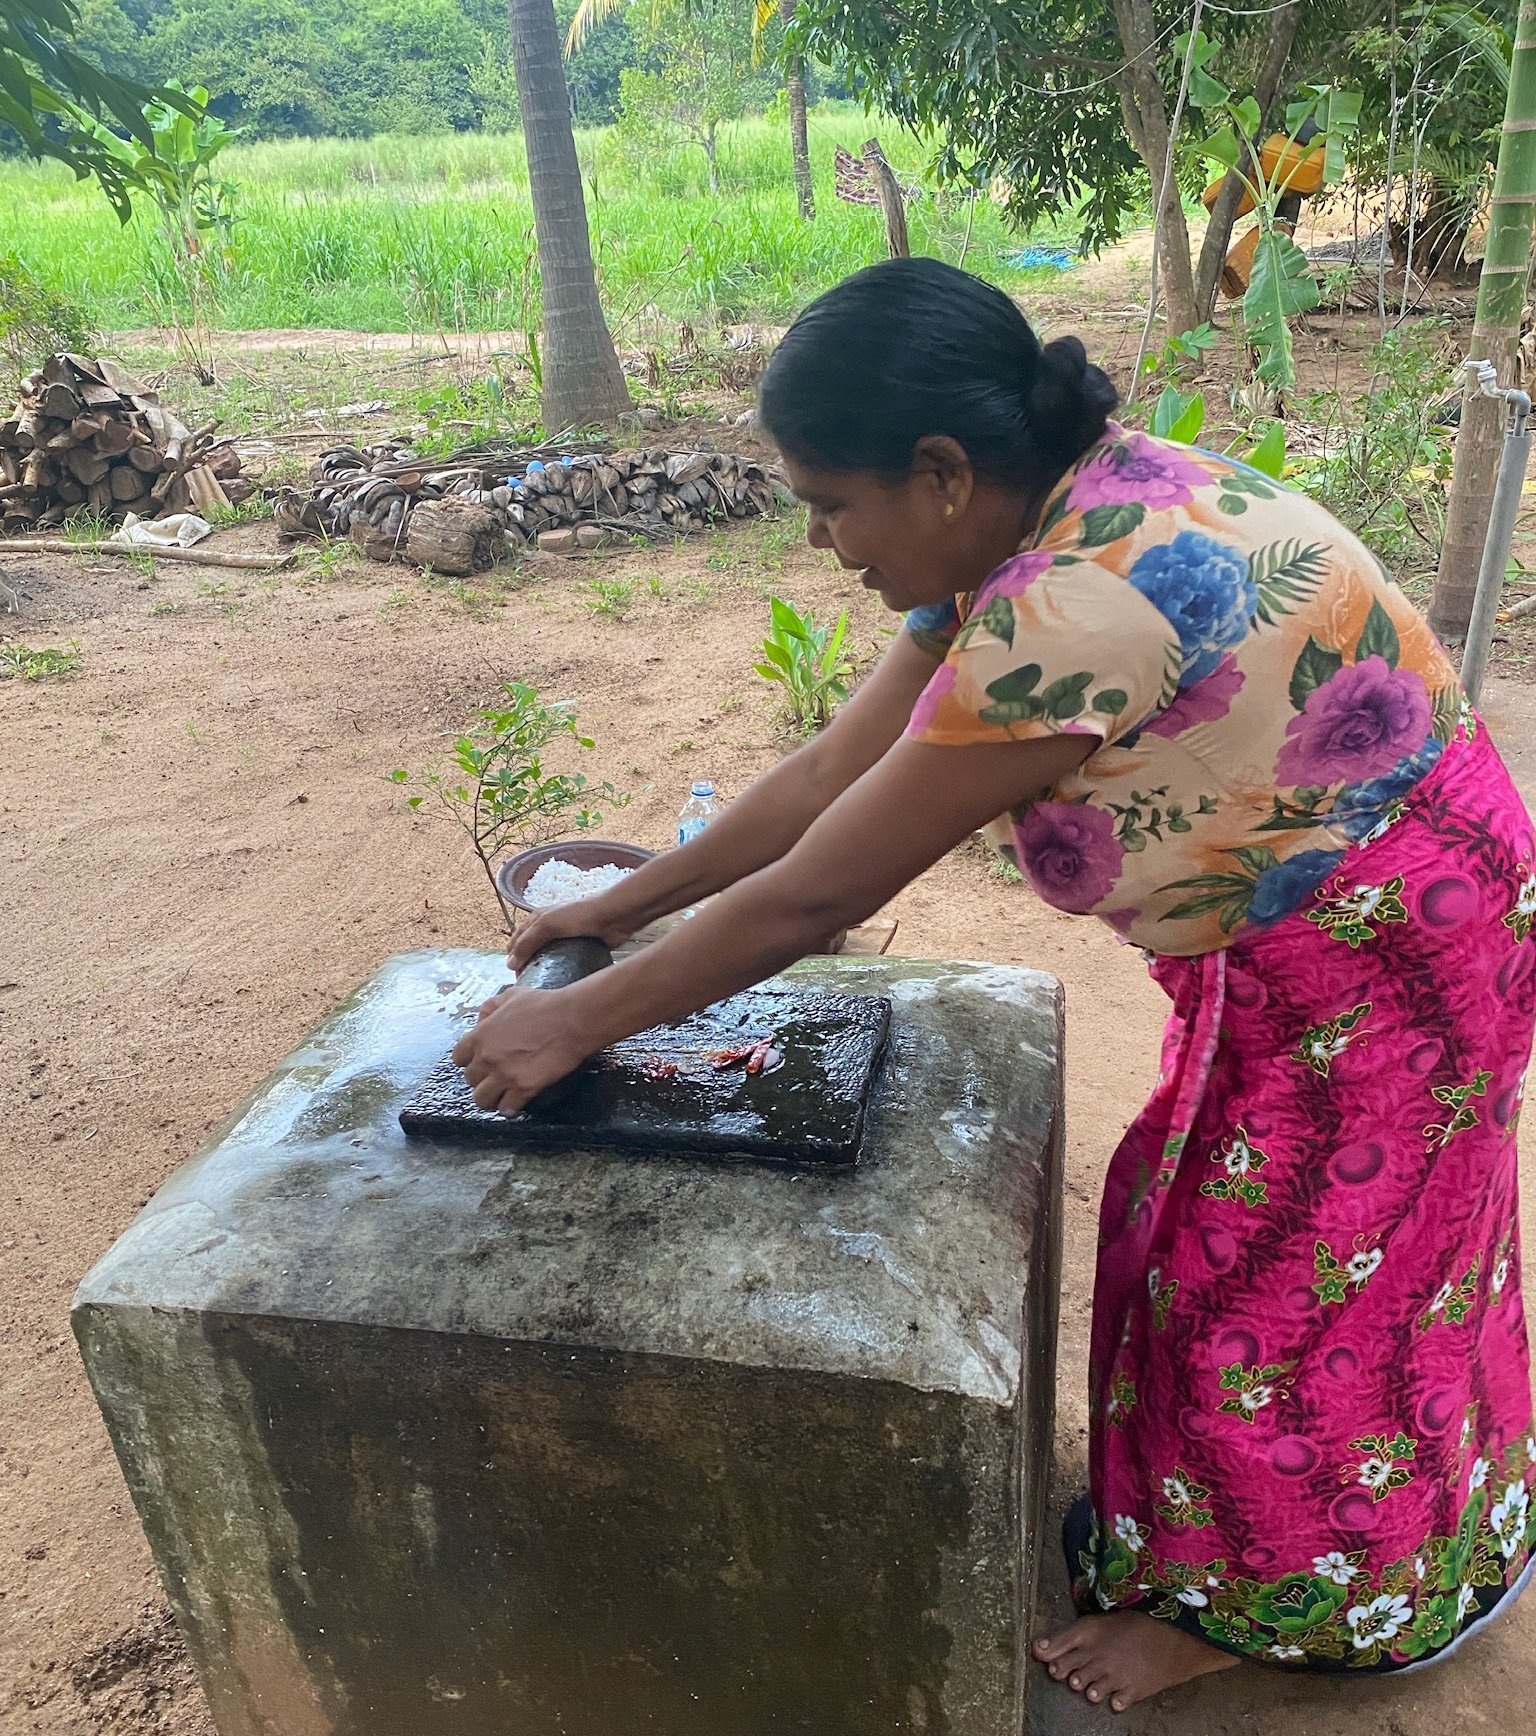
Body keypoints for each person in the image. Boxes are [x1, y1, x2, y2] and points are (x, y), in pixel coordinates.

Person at [453, 257, 1536, 1712]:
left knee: (1286, 1289)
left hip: (1390, 951)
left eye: (832, 504)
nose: (828, 543)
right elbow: (832, 776)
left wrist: (574, 1022)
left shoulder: (1067, 614)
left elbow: (830, 887)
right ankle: (1253, 1547)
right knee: (1239, 1232)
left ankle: (1287, 1615)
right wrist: (623, 899)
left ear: (942, 470)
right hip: (1348, 922)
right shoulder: (1049, 517)